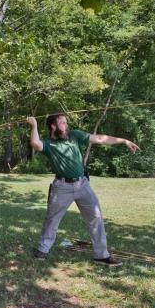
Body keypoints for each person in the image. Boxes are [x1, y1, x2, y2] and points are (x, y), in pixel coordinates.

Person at [25, 114, 139, 267]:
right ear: (53, 126)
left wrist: (124, 141)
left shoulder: (75, 136)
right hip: (61, 187)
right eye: (62, 122)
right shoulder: (49, 144)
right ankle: (42, 250)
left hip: (82, 185)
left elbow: (100, 138)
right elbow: (35, 143)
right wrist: (34, 125)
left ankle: (101, 255)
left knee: (96, 217)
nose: (66, 125)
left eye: (66, 122)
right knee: (52, 220)